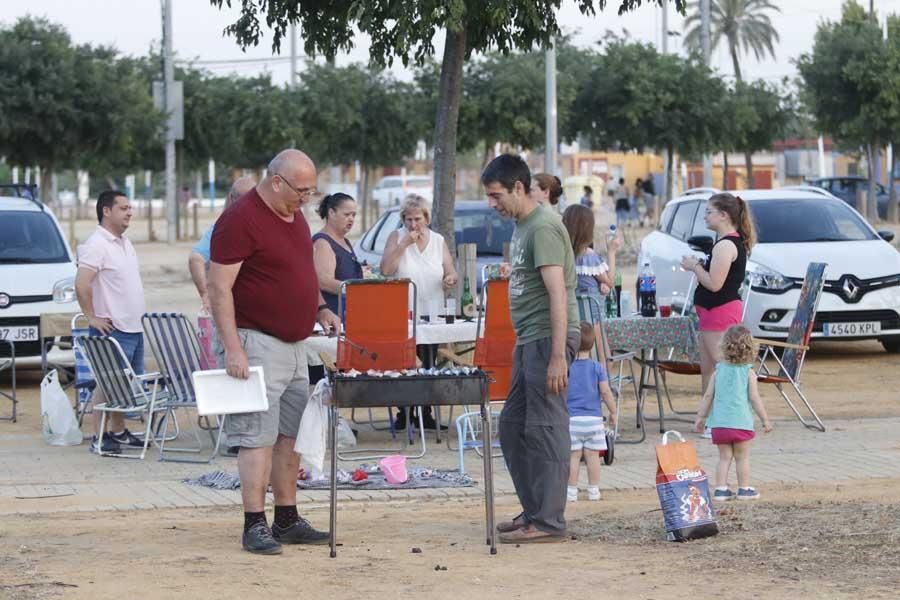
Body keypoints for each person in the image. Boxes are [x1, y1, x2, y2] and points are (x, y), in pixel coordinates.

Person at [208, 149, 341, 555]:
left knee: (290, 435)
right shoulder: (240, 220)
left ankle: (287, 517)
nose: (307, 198)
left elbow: (300, 270)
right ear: (277, 181)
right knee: (256, 436)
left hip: (295, 344)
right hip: (255, 341)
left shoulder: (295, 215)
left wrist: (319, 308)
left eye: (311, 190)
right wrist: (233, 348)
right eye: (302, 190)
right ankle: (254, 523)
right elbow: (219, 288)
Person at [482, 154, 580, 544]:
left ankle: (550, 520)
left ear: (518, 188)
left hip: (547, 338)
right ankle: (534, 509)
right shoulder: (523, 226)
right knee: (512, 427)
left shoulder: (542, 227)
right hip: (530, 339)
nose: (492, 204)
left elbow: (558, 294)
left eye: (496, 195)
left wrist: (558, 355)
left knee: (545, 426)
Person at [74, 190, 147, 454]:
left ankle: (118, 432)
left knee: (123, 385)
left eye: (130, 207)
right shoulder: (96, 245)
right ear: (107, 211)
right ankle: (99, 437)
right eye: (123, 208)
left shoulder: (124, 242)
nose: (129, 212)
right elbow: (81, 284)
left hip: (134, 327)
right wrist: (91, 317)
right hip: (112, 329)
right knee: (106, 383)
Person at [380, 194, 458, 430]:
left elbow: (449, 270)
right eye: (408, 220)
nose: (413, 225)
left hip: (431, 308)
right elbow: (385, 270)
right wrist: (403, 245)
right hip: (404, 310)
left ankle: (426, 412)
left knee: (429, 361)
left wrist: (450, 279)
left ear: (426, 218)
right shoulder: (396, 237)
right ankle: (404, 412)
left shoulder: (437, 240)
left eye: (418, 219)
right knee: (404, 363)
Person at [680, 192, 756, 413]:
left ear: (723, 215)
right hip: (710, 313)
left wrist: (694, 267)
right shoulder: (721, 243)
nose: (705, 216)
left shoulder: (726, 246)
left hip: (720, 312)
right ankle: (708, 417)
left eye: (708, 212)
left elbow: (715, 284)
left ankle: (729, 416)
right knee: (708, 369)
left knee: (724, 368)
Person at [693, 325, 772, 501]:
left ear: (724, 346)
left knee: (724, 457)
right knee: (742, 458)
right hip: (741, 423)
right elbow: (755, 399)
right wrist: (765, 420)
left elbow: (708, 396)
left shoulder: (718, 371)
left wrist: (700, 417)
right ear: (750, 349)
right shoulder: (748, 373)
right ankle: (744, 489)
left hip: (719, 424)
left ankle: (721, 489)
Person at [562, 204, 621, 362]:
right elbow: (610, 283)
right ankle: (604, 384)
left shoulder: (562, 255)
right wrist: (612, 252)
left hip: (569, 318)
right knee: (602, 348)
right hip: (592, 321)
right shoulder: (589, 256)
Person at [189, 176, 257, 312]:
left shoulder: (222, 226)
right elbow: (195, 259)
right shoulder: (223, 228)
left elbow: (195, 259)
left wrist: (206, 295)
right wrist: (207, 295)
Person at [567, 322, 617, 503]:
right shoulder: (597, 368)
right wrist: (613, 411)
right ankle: (594, 490)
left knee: (573, 457)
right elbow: (605, 391)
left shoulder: (567, 367)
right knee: (593, 456)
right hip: (594, 420)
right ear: (593, 343)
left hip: (572, 419)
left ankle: (571, 491)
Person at [312, 192, 363, 318]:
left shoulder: (345, 241)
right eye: (346, 214)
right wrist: (359, 291)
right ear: (331, 213)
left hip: (350, 315)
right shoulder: (323, 243)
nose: (351, 219)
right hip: (333, 316)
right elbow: (323, 281)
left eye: (353, 215)